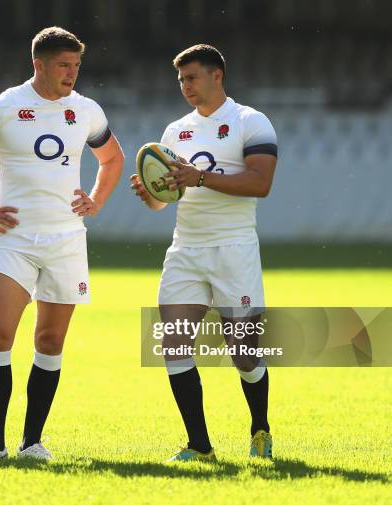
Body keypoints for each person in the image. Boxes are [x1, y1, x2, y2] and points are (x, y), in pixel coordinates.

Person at [0, 26, 124, 461]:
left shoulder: (87, 110)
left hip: (67, 242)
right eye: (64, 65)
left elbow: (112, 158)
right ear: (38, 64)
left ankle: (32, 442)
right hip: (14, 240)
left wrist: (95, 198)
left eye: (76, 66)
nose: (72, 74)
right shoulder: (3, 107)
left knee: (50, 341)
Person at [131, 44, 278, 461]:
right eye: (180, 80)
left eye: (192, 77)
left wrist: (200, 177)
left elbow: (259, 183)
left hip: (234, 247)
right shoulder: (176, 130)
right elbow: (167, 199)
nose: (185, 86)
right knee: (174, 343)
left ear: (217, 76)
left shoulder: (251, 121)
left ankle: (260, 431)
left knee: (244, 353)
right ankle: (200, 446)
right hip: (186, 248)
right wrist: (151, 193)